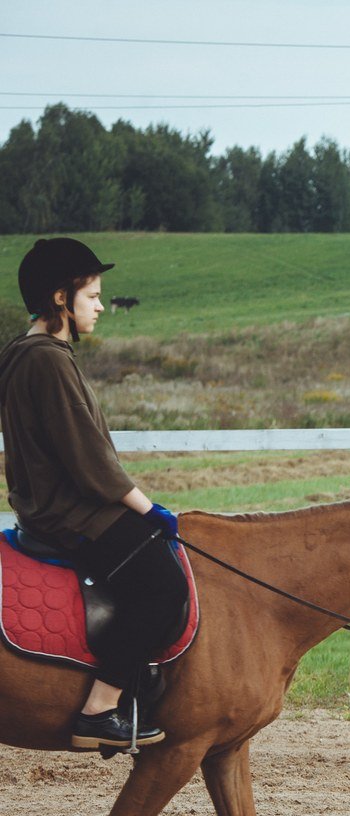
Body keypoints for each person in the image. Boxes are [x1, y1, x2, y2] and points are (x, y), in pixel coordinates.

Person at [1, 238, 188, 749]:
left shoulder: (28, 354)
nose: (102, 306)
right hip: (74, 514)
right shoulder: (47, 360)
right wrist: (149, 509)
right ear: (62, 298)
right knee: (165, 587)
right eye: (93, 295)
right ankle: (101, 708)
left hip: (59, 508)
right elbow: (87, 459)